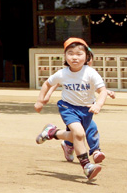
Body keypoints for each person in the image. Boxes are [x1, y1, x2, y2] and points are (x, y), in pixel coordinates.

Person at [35, 36, 107, 180]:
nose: (75, 57)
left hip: (86, 109)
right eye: (70, 53)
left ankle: (52, 132)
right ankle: (87, 166)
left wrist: (98, 104)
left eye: (79, 54)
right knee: (79, 134)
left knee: (77, 136)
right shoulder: (62, 73)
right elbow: (47, 84)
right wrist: (40, 100)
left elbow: (102, 90)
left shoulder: (90, 72)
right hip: (68, 107)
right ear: (65, 56)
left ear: (87, 56)